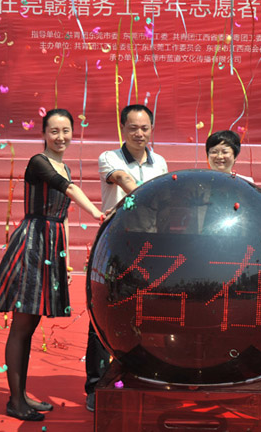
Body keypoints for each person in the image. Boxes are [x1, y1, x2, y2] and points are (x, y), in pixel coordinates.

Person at [0, 109, 104, 422]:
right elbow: (69, 190)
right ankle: (16, 401)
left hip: (52, 247)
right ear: (43, 133)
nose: (61, 137)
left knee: (30, 326)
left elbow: (63, 217)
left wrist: (65, 262)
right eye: (54, 131)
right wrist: (97, 213)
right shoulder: (39, 162)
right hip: (32, 245)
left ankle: (21, 394)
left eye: (66, 131)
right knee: (22, 325)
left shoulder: (64, 166)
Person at [84, 104, 169, 412]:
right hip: (118, 245)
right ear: (123, 128)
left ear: (152, 129)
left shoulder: (160, 162)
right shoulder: (110, 158)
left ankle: (139, 378)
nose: (139, 133)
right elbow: (122, 179)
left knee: (145, 316)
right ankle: (95, 386)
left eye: (145, 128)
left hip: (151, 247)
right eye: (133, 128)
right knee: (104, 315)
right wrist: (147, 197)